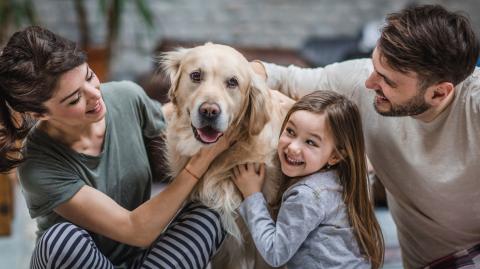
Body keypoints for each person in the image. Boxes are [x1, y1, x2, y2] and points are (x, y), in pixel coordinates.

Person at [251, 4, 480, 269]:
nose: (370, 83)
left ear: (439, 93)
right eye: (374, 66)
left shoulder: (473, 107)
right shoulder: (362, 81)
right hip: (429, 262)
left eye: (388, 81)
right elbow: (276, 75)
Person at [0, 26, 231, 269]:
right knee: (60, 241)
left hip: (144, 261)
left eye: (89, 76)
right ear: (38, 113)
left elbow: (174, 114)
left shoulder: (125, 97)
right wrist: (201, 161)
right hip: (78, 262)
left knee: (213, 209)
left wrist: (249, 81)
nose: (94, 95)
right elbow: (136, 229)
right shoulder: (37, 165)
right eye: (75, 98)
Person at [231, 91, 384, 269]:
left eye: (310, 142)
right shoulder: (343, 178)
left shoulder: (307, 196)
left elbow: (275, 253)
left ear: (334, 156)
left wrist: (252, 195)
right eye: (290, 131)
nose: (293, 147)